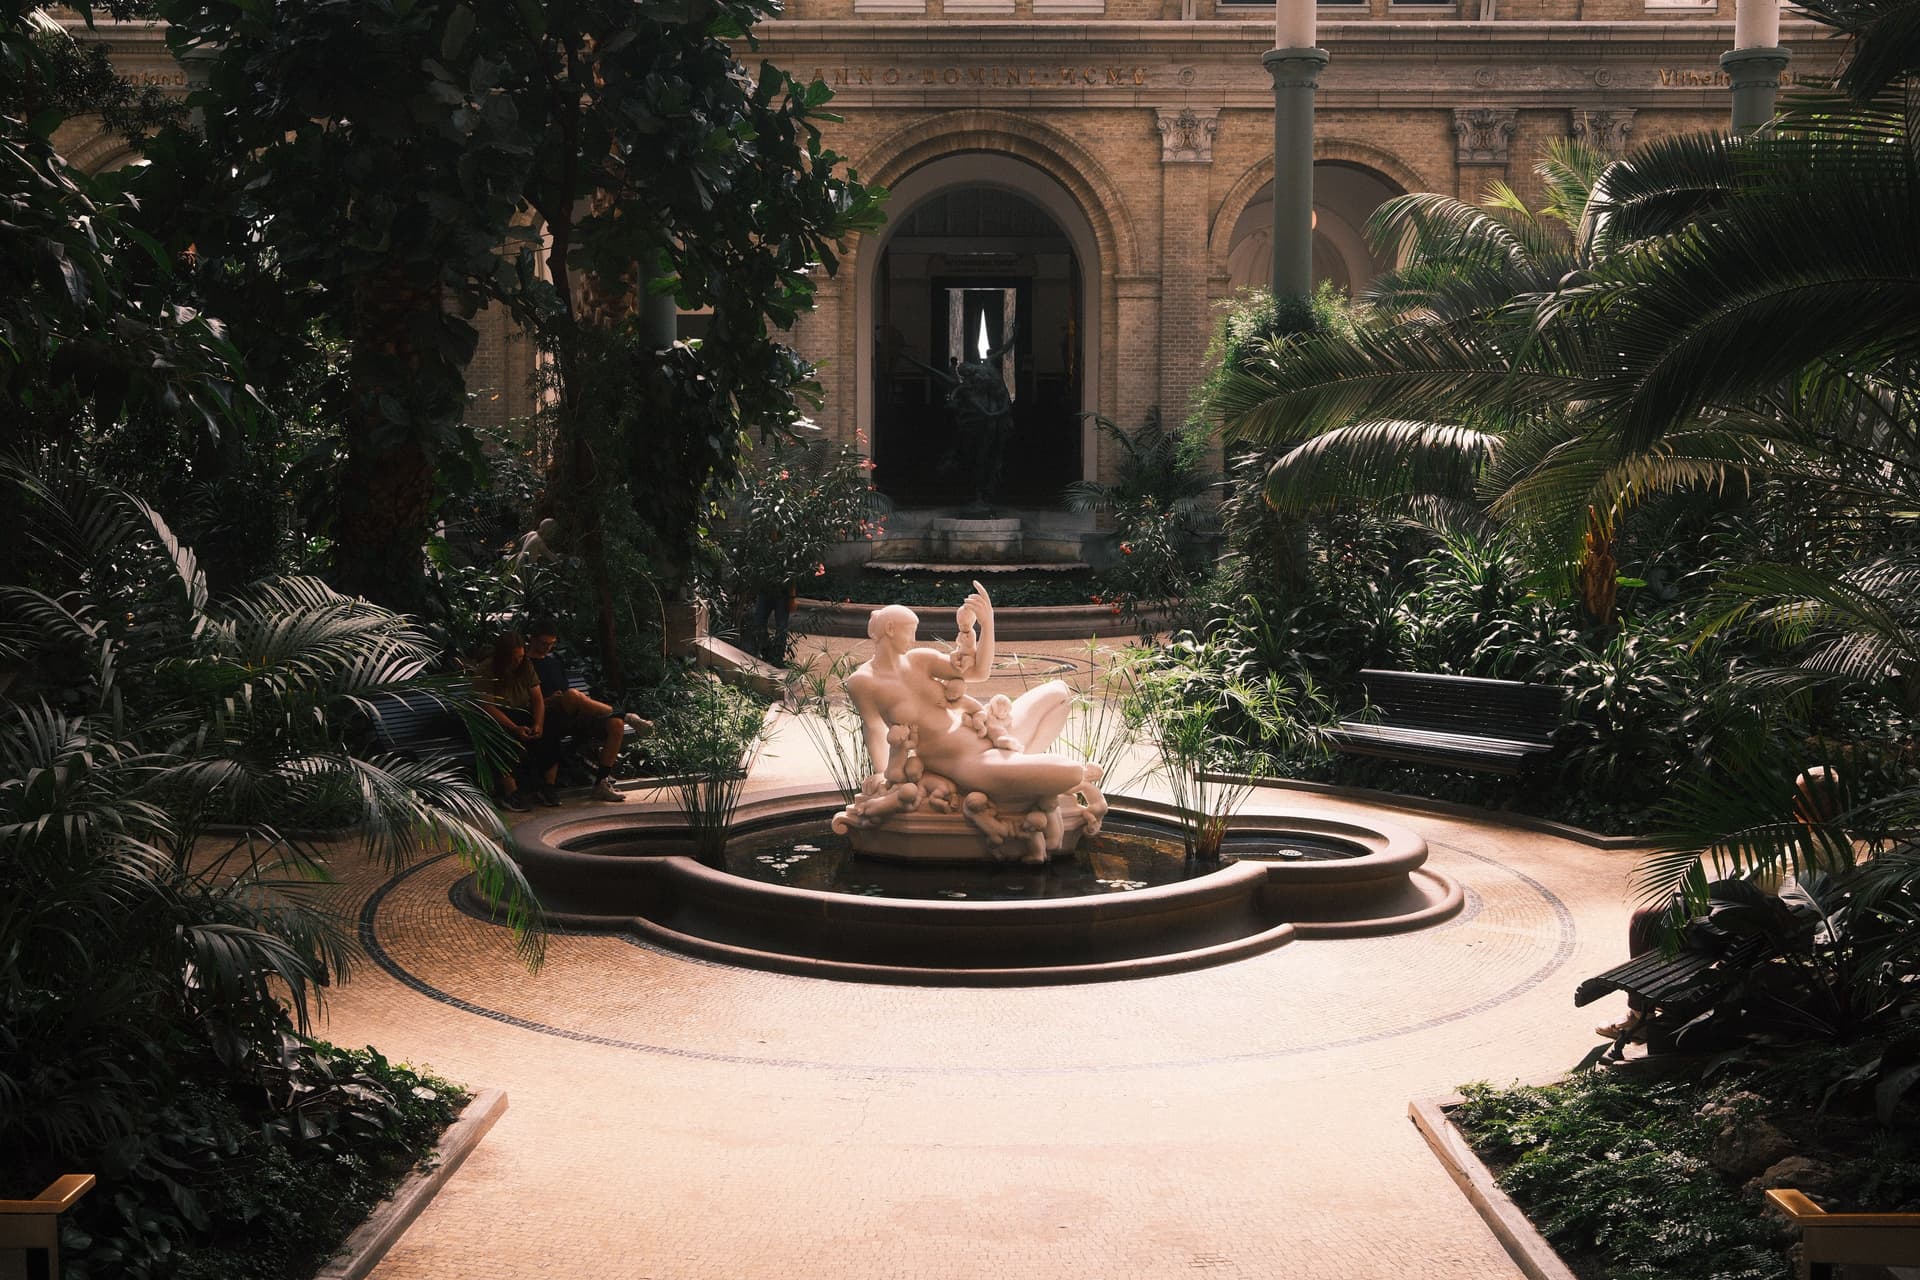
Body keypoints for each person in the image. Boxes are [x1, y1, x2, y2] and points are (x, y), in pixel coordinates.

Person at [525, 619, 653, 804]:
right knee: (573, 696)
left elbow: (564, 689)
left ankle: (601, 783)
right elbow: (524, 699)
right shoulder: (525, 664)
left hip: (571, 713)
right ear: (532, 639)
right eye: (544, 643)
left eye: (551, 644)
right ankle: (627, 716)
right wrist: (548, 700)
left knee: (615, 725)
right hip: (546, 714)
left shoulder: (554, 660)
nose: (547, 648)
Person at [472, 630, 561, 812]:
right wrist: (514, 728)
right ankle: (510, 792)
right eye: (513, 658)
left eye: (520, 657)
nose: (517, 662)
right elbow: (487, 707)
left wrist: (538, 724)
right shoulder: (486, 670)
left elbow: (537, 698)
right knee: (498, 735)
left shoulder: (526, 666)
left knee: (551, 730)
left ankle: (548, 786)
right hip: (495, 717)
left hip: (520, 712)